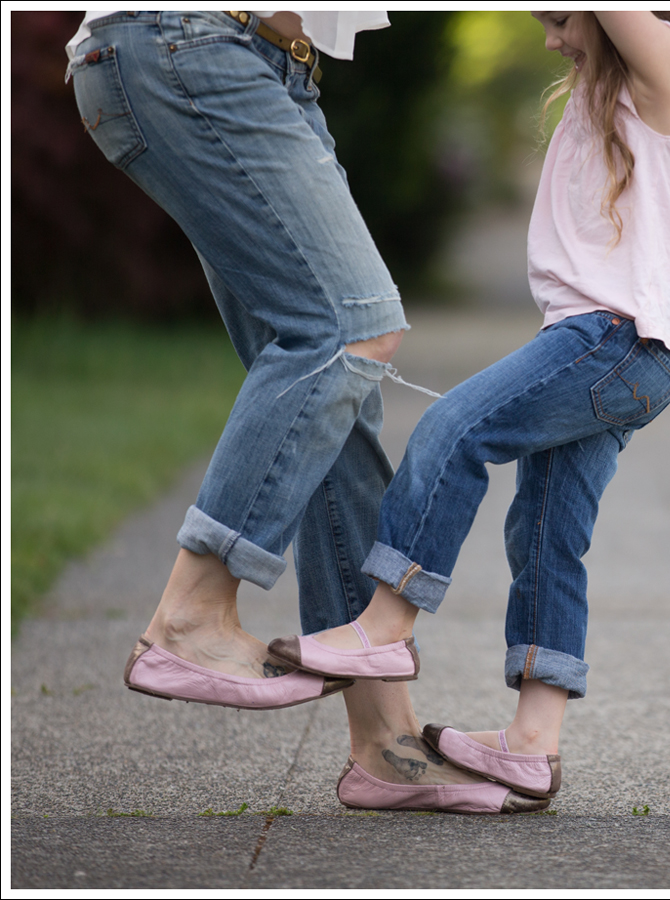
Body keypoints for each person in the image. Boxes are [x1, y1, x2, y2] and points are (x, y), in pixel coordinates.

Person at [268, 11, 670, 808]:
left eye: (561, 17)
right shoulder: (616, 92)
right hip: (622, 349)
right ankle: (534, 743)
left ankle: (386, 624)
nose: (551, 38)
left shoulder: (667, 70)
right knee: (545, 530)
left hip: (614, 338)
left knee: (454, 429)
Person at [67, 11, 544, 814]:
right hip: (195, 47)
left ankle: (388, 747)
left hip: (252, 63)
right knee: (349, 330)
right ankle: (191, 615)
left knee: (337, 394)